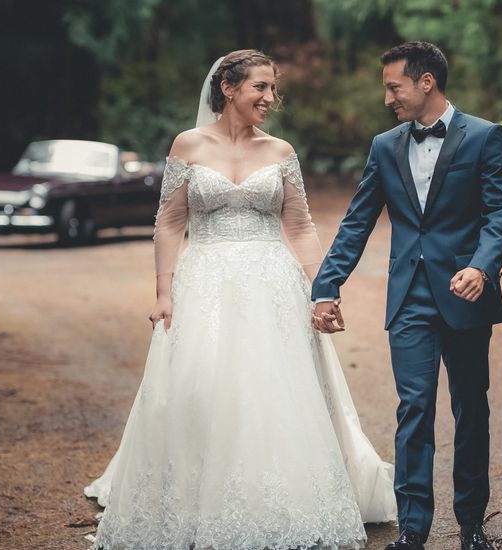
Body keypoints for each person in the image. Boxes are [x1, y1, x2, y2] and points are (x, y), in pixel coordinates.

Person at [83, 49, 396, 550]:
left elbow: (299, 225)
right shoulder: (188, 145)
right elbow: (169, 222)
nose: (270, 98)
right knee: (201, 387)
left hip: (272, 285)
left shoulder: (281, 153)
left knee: (272, 392)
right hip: (204, 280)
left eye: (273, 89)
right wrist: (164, 292)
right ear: (228, 88)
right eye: (260, 88)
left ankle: (277, 499)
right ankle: (194, 499)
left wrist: (324, 291)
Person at [311, 42, 502, 550]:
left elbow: (501, 212)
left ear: (426, 81)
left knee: (471, 407)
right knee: (414, 408)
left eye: (393, 86)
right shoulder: (385, 146)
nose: (388, 98)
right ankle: (413, 529)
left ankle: (471, 524)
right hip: (409, 299)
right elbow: (358, 221)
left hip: (466, 293)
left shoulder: (485, 137)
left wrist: (482, 267)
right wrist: (325, 286)